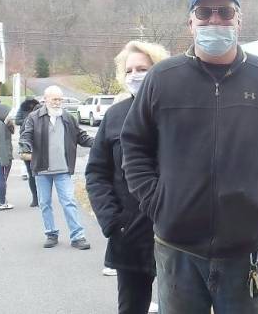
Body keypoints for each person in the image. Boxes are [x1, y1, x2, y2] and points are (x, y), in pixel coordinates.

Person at [121, 0, 258, 313]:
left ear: (238, 19)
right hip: (177, 248)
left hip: (246, 248)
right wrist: (156, 200)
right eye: (205, 13)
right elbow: (134, 144)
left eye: (224, 12)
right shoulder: (163, 78)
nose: (215, 20)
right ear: (191, 22)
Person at [86, 40, 169, 314]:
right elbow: (97, 173)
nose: (135, 75)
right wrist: (112, 220)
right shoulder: (114, 116)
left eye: (142, 68)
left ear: (158, 70)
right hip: (129, 233)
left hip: (176, 230)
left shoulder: (176, 114)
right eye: (129, 70)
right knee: (132, 307)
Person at [19, 85, 95, 250]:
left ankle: (77, 236)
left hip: (63, 169)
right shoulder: (34, 117)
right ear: (45, 99)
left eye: (60, 99)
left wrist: (97, 143)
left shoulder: (67, 117)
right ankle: (51, 234)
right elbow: (26, 134)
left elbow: (80, 136)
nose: (57, 102)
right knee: (45, 203)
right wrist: (25, 145)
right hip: (42, 169)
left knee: (69, 202)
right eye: (54, 99)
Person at [15, 97, 41, 206]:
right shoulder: (30, 118)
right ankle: (37, 198)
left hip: (30, 148)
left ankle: (37, 198)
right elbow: (18, 123)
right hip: (31, 149)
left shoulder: (29, 118)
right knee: (35, 174)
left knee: (33, 174)